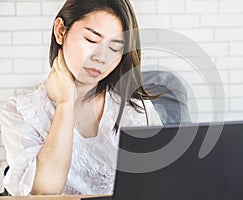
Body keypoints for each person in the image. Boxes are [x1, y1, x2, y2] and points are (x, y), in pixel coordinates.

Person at [0, 0, 162, 196]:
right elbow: (43, 192)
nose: (101, 58)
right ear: (60, 31)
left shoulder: (135, 109)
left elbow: (161, 183)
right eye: (91, 40)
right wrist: (65, 104)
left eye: (114, 48)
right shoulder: (19, 111)